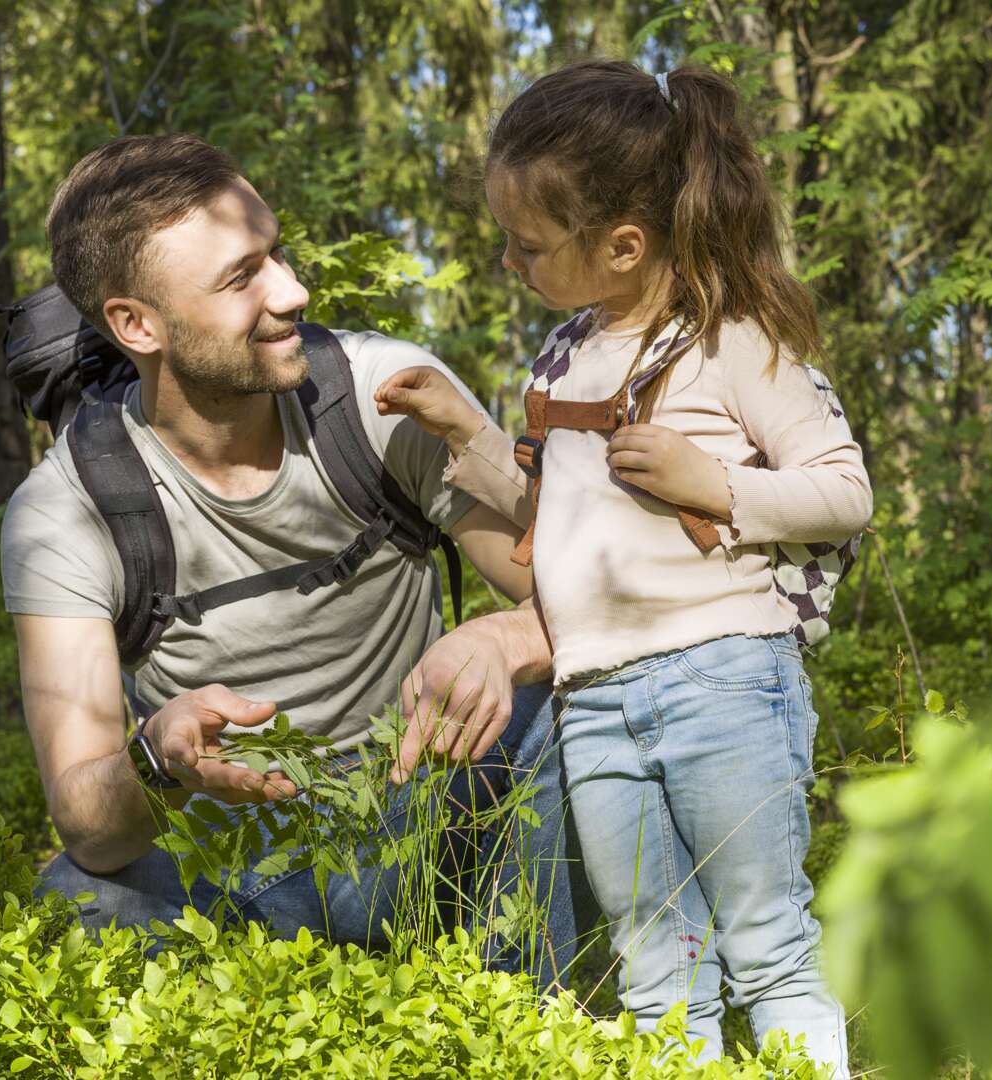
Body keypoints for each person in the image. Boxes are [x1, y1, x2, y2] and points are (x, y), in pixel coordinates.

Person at [373, 61, 871, 1074]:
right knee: (654, 956)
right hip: (594, 700)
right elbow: (561, 528)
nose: (511, 260)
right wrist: (463, 430)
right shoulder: (561, 360)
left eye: (527, 243)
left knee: (767, 940)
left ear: (623, 244)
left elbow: (843, 493)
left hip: (725, 679)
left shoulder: (732, 341)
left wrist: (717, 483)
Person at [0, 132, 580, 984]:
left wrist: (504, 642)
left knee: (587, 711)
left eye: (276, 255)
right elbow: (90, 822)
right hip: (241, 860)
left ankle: (540, 1023)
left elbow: (602, 605)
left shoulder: (384, 401)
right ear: (135, 324)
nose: (293, 291)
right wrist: (160, 760)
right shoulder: (64, 513)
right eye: (242, 278)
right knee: (75, 910)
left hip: (428, 806)